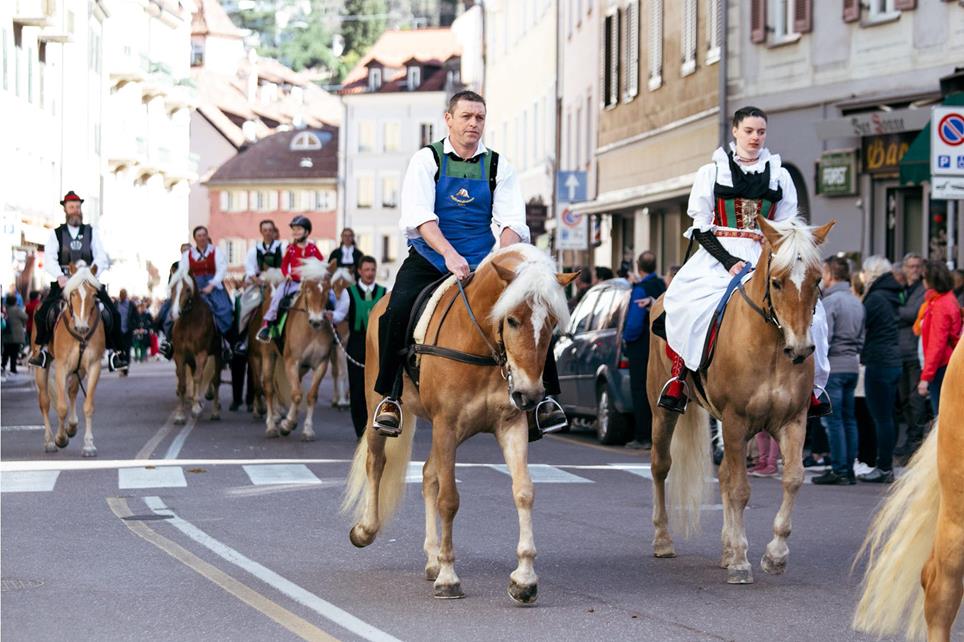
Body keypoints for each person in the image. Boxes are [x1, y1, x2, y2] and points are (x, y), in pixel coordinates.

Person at [371, 90, 565, 438]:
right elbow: (421, 218)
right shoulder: (427, 160)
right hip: (431, 258)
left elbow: (512, 224)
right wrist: (448, 254)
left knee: (534, 308)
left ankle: (543, 400)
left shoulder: (497, 165)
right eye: (466, 116)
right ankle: (391, 397)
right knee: (394, 311)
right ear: (449, 119)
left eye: (480, 118)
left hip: (482, 263)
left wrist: (497, 261)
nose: (474, 124)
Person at [659, 107, 830, 417]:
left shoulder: (780, 174)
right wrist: (728, 262)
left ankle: (813, 388)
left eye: (761, 132)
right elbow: (700, 225)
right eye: (749, 131)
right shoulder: (711, 172)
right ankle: (679, 378)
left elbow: (789, 223)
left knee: (814, 315)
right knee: (685, 302)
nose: (755, 137)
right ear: (735, 131)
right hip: (720, 253)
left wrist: (778, 249)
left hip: (768, 252)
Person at [28, 191, 128, 371]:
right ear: (65, 210)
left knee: (112, 312)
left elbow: (101, 256)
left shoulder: (91, 232)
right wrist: (59, 275)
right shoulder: (57, 234)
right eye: (71, 207)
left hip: (88, 281)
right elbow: (50, 258)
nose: (75, 210)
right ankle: (41, 350)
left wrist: (92, 273)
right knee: (44, 312)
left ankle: (116, 353)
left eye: (77, 207)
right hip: (65, 281)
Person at [813, 257, 865, 485]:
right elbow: (863, 338)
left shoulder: (831, 302)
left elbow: (825, 339)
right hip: (852, 364)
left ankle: (839, 469)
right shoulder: (857, 302)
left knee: (833, 421)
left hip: (834, 365)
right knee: (849, 419)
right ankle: (849, 468)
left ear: (830, 274)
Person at [856, 256, 903, 484]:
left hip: (879, 361)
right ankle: (885, 465)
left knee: (881, 418)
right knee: (888, 417)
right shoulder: (893, 293)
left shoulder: (875, 298)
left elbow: (861, 324)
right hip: (893, 360)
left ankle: (883, 467)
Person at [622, 251, 666, 450]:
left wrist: (626, 339)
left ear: (638, 267)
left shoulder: (640, 290)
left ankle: (643, 435)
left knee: (640, 389)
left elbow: (633, 324)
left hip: (640, 346)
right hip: (660, 341)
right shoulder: (660, 286)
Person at [256, 215, 325, 339]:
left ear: (307, 232)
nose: (295, 232)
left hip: (310, 284)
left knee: (327, 297)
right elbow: (284, 265)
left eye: (299, 229)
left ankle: (333, 327)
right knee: (277, 297)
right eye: (294, 229)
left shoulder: (313, 248)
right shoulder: (291, 249)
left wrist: (318, 275)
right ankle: (268, 325)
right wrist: (286, 274)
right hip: (293, 283)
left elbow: (321, 263)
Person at [178, 226, 235, 362]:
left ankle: (226, 342)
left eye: (204, 235)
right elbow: (183, 272)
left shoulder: (216, 252)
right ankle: (170, 342)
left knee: (226, 310)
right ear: (195, 238)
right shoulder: (188, 255)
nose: (202, 238)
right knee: (174, 309)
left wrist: (212, 285)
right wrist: (191, 287)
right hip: (194, 287)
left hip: (214, 286)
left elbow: (222, 269)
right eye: (199, 236)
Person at [345, 255, 387, 438]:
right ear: (360, 272)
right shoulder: (349, 293)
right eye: (366, 270)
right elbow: (340, 314)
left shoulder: (384, 292)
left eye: (372, 270)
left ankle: (376, 426)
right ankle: (360, 432)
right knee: (357, 389)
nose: (370, 273)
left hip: (378, 346)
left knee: (378, 389)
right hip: (356, 346)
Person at [916, 260, 962, 416]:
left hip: (941, 365)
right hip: (945, 363)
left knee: (941, 415)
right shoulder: (945, 300)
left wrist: (926, 377)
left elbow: (937, 343)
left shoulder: (940, 305)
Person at [893, 253, 928, 458]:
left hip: (914, 351)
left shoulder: (923, 289)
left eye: (917, 266)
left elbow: (913, 313)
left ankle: (916, 440)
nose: (913, 270)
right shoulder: (903, 289)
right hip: (901, 350)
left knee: (916, 398)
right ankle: (910, 439)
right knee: (904, 398)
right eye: (910, 266)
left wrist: (893, 311)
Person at [157, 243, 193, 359]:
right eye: (184, 251)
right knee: (165, 316)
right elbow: (171, 283)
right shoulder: (176, 265)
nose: (186, 253)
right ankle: (168, 341)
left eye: (188, 250)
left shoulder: (195, 263)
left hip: (194, 295)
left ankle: (225, 343)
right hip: (178, 295)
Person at [2, 294, 27, 375]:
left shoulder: (5, 309)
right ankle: (13, 368)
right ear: (15, 302)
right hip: (16, 335)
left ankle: (3, 365)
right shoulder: (17, 310)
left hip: (6, 334)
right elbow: (25, 317)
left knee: (6, 351)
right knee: (14, 353)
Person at [116, 289, 137, 376]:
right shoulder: (116, 304)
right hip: (119, 331)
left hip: (128, 331)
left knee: (127, 350)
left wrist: (134, 326)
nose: (122, 297)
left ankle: (126, 368)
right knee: (120, 351)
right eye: (121, 295)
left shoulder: (131, 304)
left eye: (123, 295)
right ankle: (121, 367)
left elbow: (136, 316)